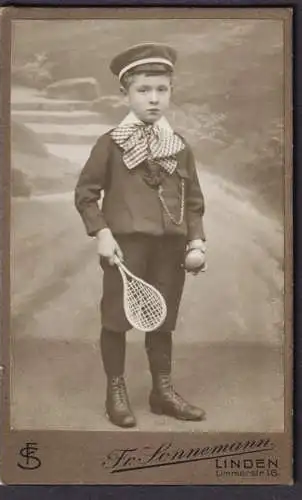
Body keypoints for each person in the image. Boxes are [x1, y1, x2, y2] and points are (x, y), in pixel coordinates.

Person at [75, 42, 207, 428]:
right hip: (125, 247)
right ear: (125, 94)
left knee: (162, 319)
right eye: (143, 90)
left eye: (161, 89)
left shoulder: (179, 147)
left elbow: (194, 201)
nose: (153, 99)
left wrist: (196, 241)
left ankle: (161, 392)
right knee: (117, 319)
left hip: (171, 247)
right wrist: (101, 233)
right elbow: (85, 195)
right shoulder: (111, 144)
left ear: (171, 92)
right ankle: (114, 392)